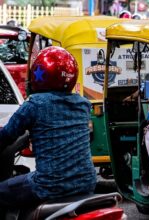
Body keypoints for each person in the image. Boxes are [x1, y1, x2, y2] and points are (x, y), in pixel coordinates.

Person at [0, 46, 96, 213]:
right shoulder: (83, 105)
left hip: (49, 185)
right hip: (86, 183)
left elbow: (7, 135)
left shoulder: (35, 104)